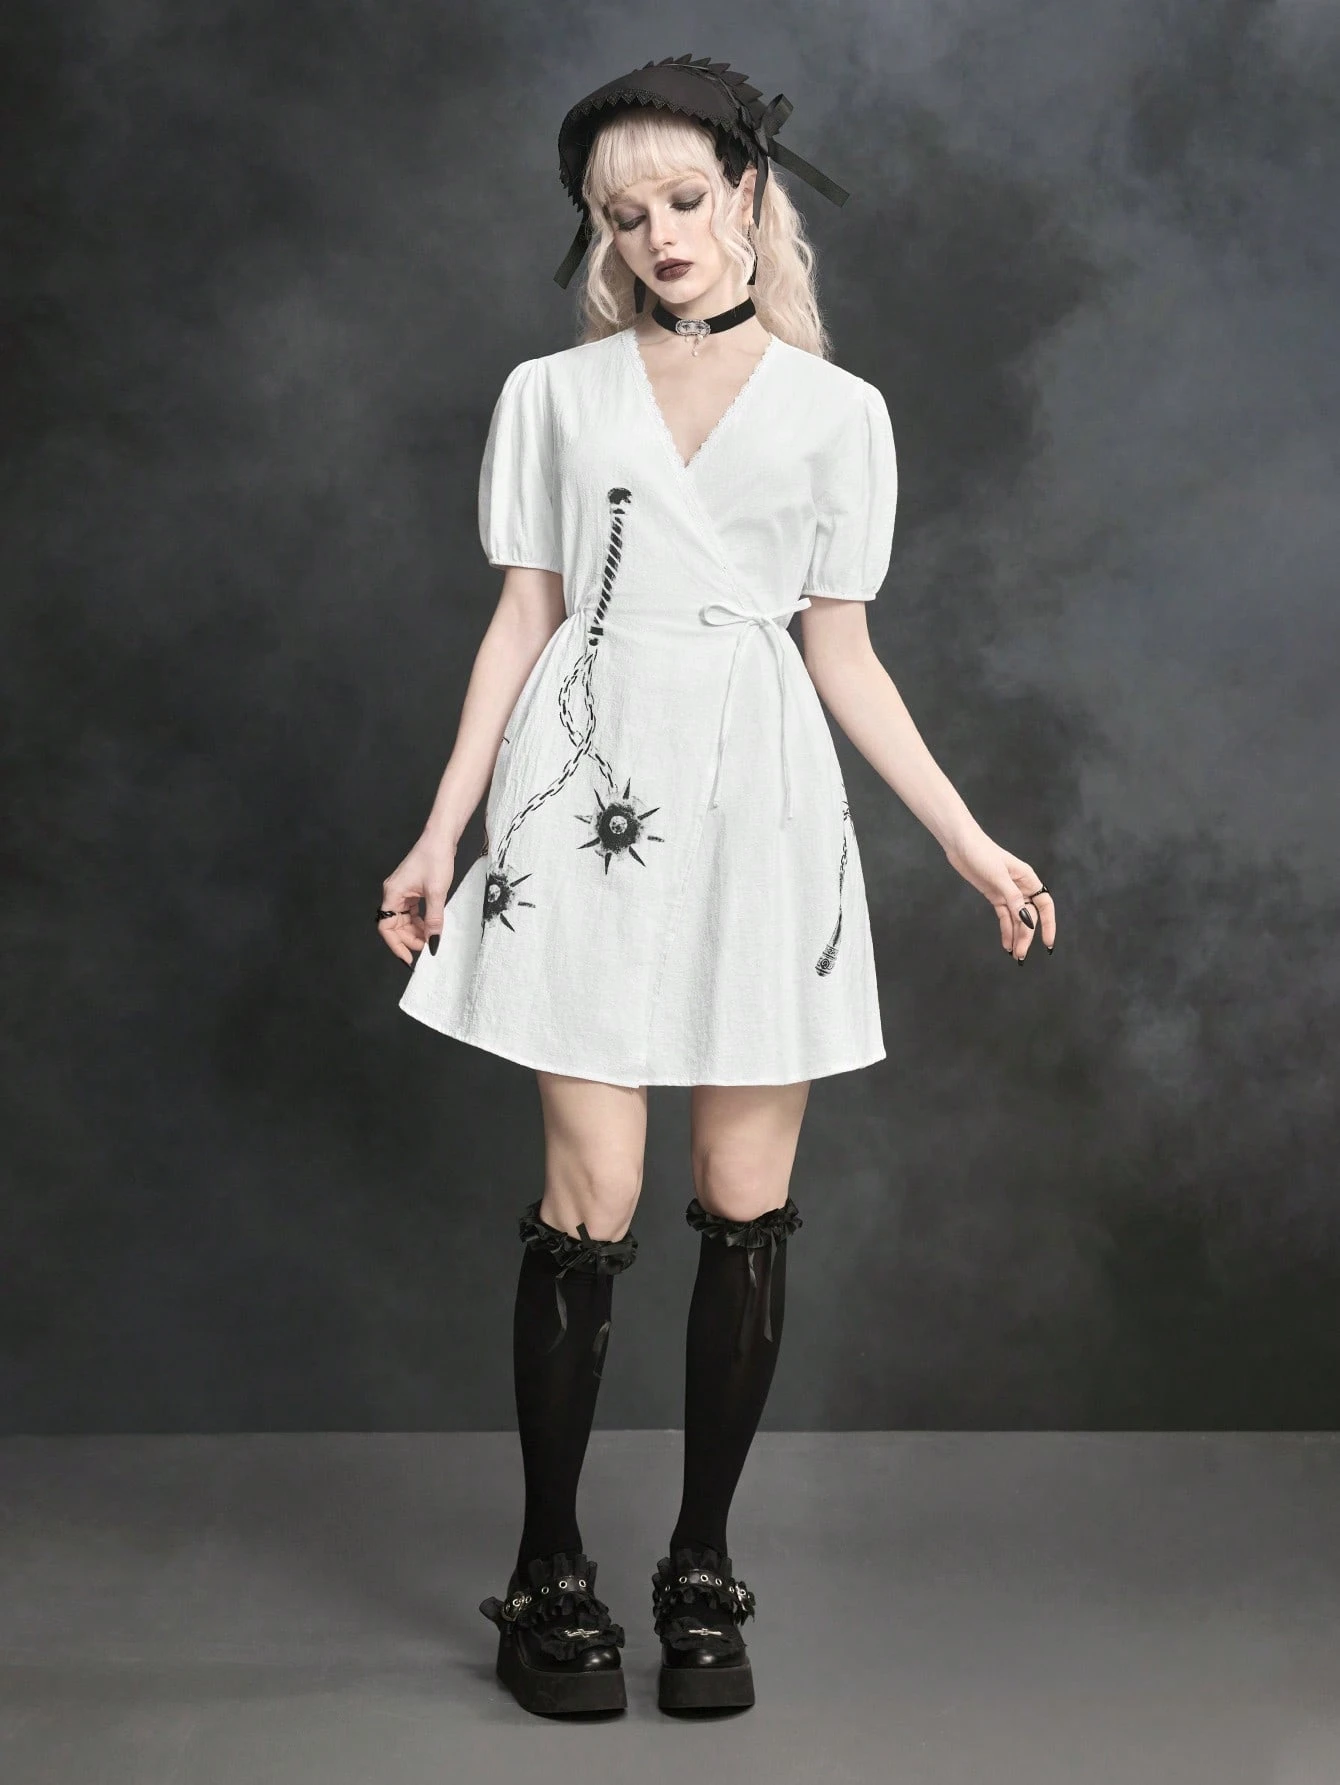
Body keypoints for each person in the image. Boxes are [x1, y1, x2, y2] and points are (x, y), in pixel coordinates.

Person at [376, 54, 1056, 1717]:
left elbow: (845, 652)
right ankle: (548, 1571)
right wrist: (439, 832)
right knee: (589, 1197)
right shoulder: (554, 393)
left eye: (685, 198)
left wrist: (967, 838)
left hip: (761, 805)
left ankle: (701, 1566)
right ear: (598, 231)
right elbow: (524, 621)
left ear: (751, 192)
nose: (661, 235)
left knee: (746, 1202)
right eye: (624, 215)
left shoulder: (839, 415)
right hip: (582, 793)